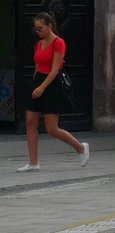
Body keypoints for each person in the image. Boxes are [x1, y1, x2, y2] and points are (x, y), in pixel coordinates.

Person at [20, 12, 88, 172]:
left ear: (50, 25)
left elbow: (55, 69)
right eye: (36, 29)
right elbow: (38, 65)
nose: (38, 32)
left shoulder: (59, 43)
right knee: (30, 122)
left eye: (40, 28)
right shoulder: (39, 44)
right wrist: (35, 83)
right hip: (38, 82)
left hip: (52, 84)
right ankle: (33, 163)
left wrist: (42, 87)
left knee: (51, 128)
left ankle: (81, 148)